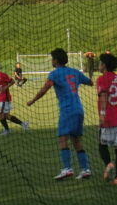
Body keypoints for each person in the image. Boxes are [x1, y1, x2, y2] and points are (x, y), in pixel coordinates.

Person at [26, 48, 92, 180]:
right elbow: (90, 82)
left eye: (52, 59)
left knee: (63, 139)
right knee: (76, 141)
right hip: (78, 109)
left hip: (67, 110)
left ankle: (67, 169)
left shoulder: (54, 74)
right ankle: (85, 169)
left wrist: (32, 100)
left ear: (55, 60)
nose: (51, 61)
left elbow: (45, 89)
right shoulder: (75, 72)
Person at [96, 52, 117, 186]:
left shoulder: (102, 79)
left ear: (104, 65)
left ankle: (108, 163)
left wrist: (103, 113)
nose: (99, 65)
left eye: (100, 63)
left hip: (110, 119)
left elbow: (104, 95)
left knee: (102, 144)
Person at [0, 61, 29, 135]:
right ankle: (23, 124)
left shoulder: (3, 75)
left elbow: (12, 81)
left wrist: (6, 87)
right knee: (6, 116)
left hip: (5, 98)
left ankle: (7, 130)